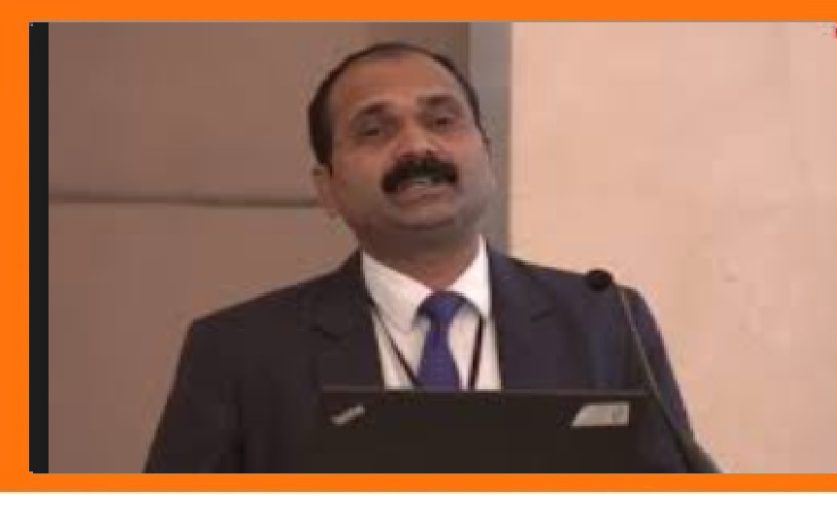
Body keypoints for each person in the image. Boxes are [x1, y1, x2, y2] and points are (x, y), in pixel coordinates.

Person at [145, 41, 699, 472]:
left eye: (441, 121)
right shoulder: (240, 352)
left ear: (488, 154)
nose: (416, 147)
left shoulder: (605, 319)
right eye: (374, 130)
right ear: (327, 189)